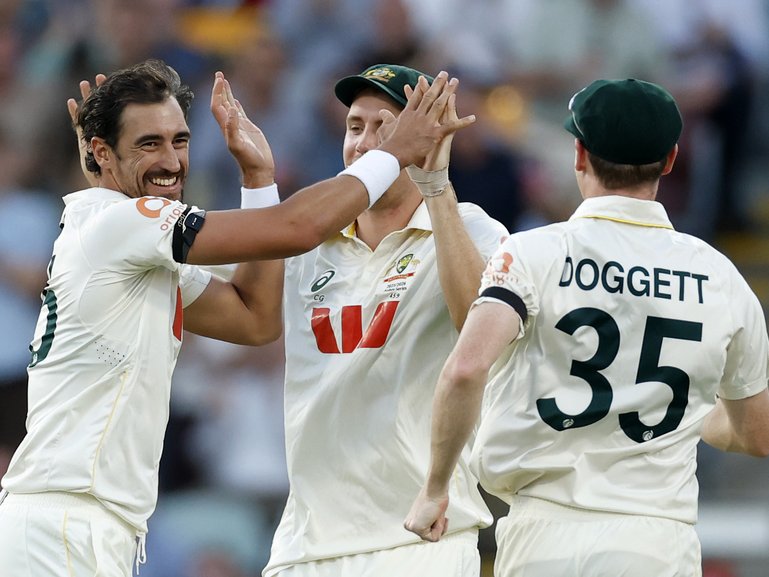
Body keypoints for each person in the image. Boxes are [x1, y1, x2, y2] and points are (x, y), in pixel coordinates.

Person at [0, 58, 469, 577]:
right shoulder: (124, 223)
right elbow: (297, 227)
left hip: (89, 524)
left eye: (179, 141)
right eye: (148, 143)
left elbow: (255, 318)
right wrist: (396, 152)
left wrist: (258, 177)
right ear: (100, 153)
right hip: (65, 523)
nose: (172, 161)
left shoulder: (132, 250)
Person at [404, 78, 769, 575]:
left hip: (543, 535)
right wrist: (686, 410)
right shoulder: (721, 276)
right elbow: (758, 435)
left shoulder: (533, 253)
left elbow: (466, 369)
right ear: (671, 159)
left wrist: (435, 489)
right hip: (657, 538)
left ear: (578, 153)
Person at [263, 64, 508, 577]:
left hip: (423, 539)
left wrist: (436, 187)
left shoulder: (475, 230)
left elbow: (476, 328)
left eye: (386, 128)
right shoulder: (309, 232)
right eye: (355, 127)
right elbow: (245, 314)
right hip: (307, 544)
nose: (366, 145)